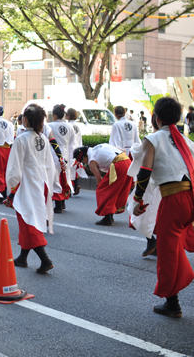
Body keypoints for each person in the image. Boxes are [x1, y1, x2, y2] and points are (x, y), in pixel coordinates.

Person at [131, 97, 194, 317]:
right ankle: (180, 284)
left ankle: (172, 303)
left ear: (155, 118)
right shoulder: (187, 142)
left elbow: (144, 171)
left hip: (174, 200)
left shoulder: (154, 138)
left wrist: (138, 200)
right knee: (173, 243)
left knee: (166, 250)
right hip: (190, 199)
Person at [7, 104, 56, 273]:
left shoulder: (21, 139)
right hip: (40, 182)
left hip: (27, 184)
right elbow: (49, 164)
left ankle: (44, 259)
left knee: (28, 221)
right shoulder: (42, 138)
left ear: (25, 120)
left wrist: (12, 189)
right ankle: (23, 257)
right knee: (29, 218)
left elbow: (15, 169)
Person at [73, 143, 132, 226]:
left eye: (82, 161)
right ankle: (110, 215)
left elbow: (99, 179)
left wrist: (100, 189)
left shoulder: (91, 161)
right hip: (128, 162)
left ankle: (107, 218)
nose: (84, 163)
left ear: (84, 157)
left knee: (104, 190)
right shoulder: (100, 146)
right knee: (115, 190)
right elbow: (123, 151)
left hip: (119, 166)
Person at [127, 113, 160, 257]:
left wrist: (137, 197)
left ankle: (151, 241)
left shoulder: (152, 139)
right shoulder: (184, 141)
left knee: (139, 211)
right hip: (176, 187)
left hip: (153, 184)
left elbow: (138, 154)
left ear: (156, 120)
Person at [48, 104, 75, 213]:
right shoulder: (70, 126)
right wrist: (71, 158)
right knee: (64, 177)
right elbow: (71, 144)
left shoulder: (49, 126)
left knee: (55, 178)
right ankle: (63, 201)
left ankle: (58, 204)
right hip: (66, 153)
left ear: (54, 115)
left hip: (53, 153)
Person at [67, 108, 86, 195]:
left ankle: (70, 189)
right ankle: (76, 185)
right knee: (75, 168)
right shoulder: (78, 126)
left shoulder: (68, 126)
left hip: (70, 149)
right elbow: (80, 139)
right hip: (78, 148)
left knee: (69, 170)